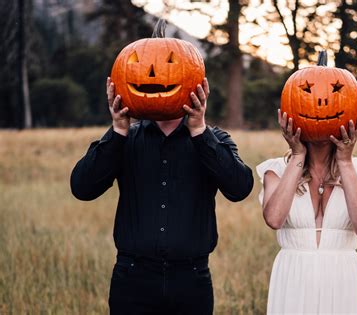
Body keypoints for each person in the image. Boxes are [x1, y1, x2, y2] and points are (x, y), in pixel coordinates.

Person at [70, 77, 254, 314]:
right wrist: (117, 130)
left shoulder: (214, 139)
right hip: (133, 278)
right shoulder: (125, 139)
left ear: (195, 85)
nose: (158, 80)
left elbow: (240, 188)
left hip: (192, 280)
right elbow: (82, 188)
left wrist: (199, 130)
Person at [257, 110, 357, 314]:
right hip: (293, 276)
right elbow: (274, 218)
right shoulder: (276, 170)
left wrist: (345, 162)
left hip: (342, 277)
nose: (320, 106)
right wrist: (297, 156)